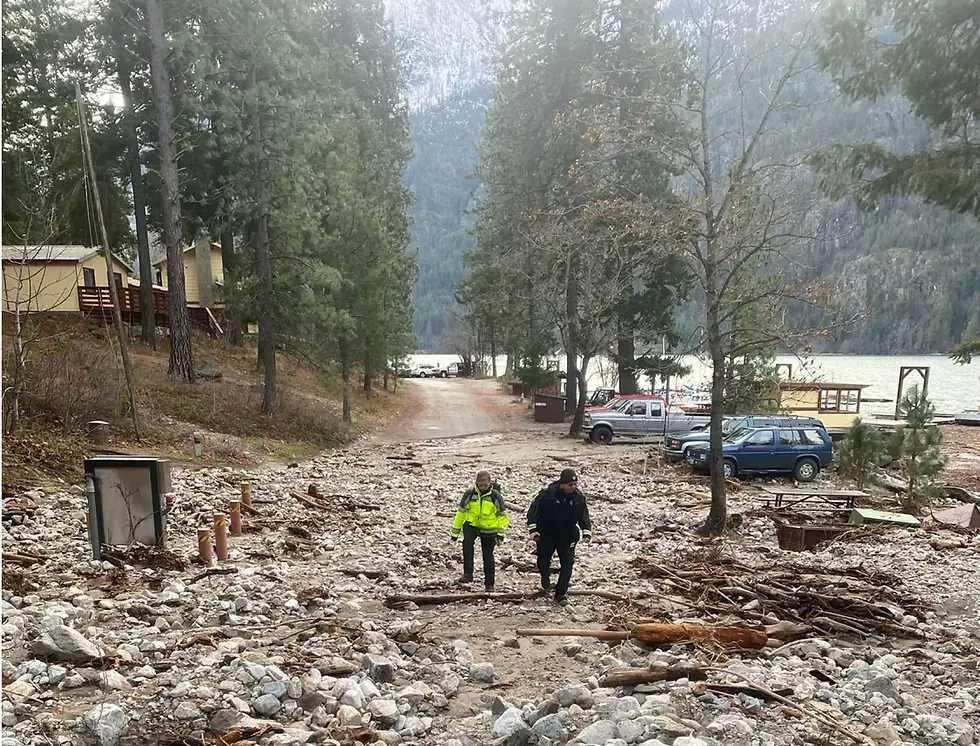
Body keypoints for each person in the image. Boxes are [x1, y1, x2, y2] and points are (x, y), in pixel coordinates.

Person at [527, 468, 592, 604]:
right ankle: (545, 578)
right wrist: (533, 529)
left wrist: (586, 531)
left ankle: (561, 594)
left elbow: (583, 515)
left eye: (575, 485)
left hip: (568, 536)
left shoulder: (578, 497)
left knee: (568, 564)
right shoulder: (547, 494)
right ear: (562, 484)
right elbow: (533, 511)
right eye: (570, 485)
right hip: (547, 534)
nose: (573, 487)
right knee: (543, 561)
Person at [451, 471, 508, 592]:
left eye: (485, 486)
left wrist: (500, 534)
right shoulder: (470, 494)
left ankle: (489, 584)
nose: (482, 488)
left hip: (489, 528)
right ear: (476, 483)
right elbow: (461, 513)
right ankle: (468, 574)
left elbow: (502, 516)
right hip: (471, 525)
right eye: (480, 485)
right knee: (467, 546)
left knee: (487, 555)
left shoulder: (495, 496)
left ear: (489, 483)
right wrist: (454, 533)